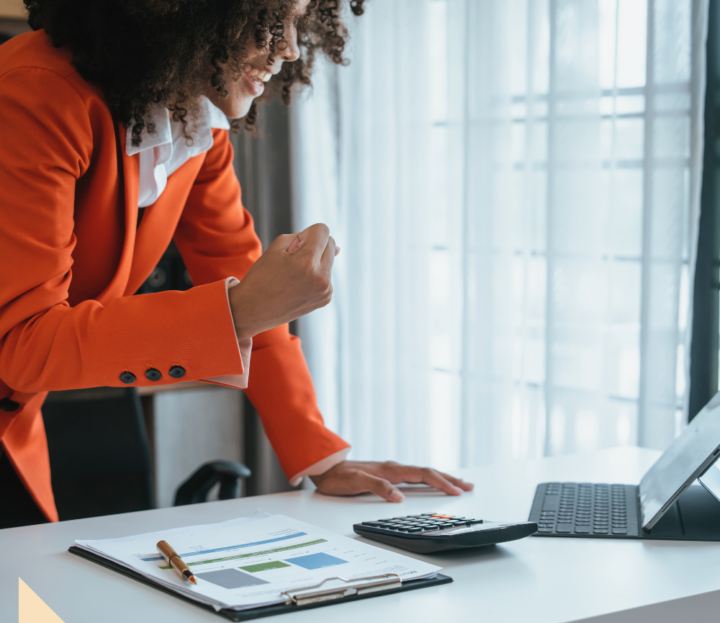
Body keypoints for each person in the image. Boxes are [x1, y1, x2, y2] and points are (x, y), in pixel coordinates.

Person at [0, 0, 473, 529]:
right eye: (272, 20)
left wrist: (320, 454)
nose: (290, 48)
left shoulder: (195, 128)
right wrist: (238, 313)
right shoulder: (34, 92)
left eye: (298, 22)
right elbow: (23, 341)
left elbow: (245, 280)